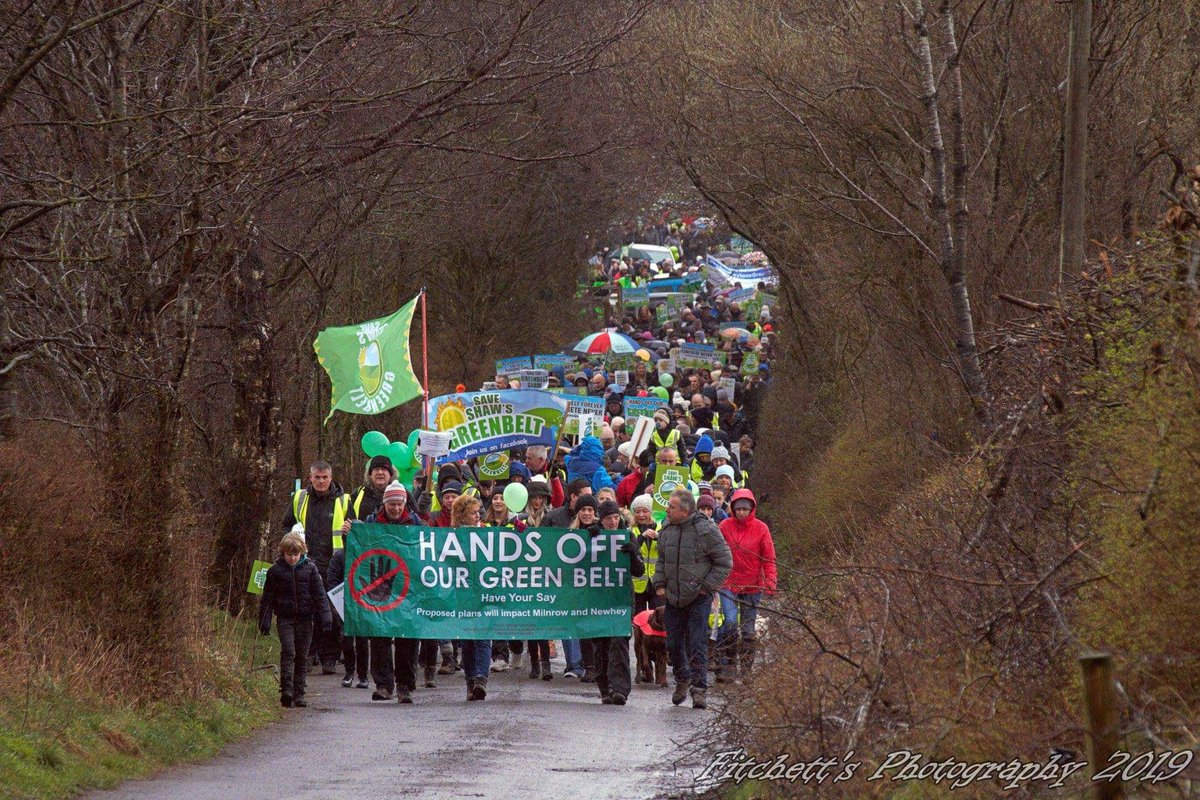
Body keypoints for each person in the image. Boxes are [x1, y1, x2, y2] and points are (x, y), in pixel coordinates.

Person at [652, 489, 732, 710]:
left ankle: (699, 689)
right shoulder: (667, 529)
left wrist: (706, 587)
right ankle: (682, 679)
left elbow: (724, 562)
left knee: (697, 643)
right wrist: (659, 584)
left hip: (698, 597)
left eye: (671, 507)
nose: (667, 510)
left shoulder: (706, 529)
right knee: (673, 643)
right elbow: (661, 560)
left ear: (685, 510)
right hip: (673, 597)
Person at [362, 482, 429, 702]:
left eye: (399, 504)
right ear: (385, 504)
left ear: (404, 504)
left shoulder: (415, 522)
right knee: (380, 636)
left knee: (407, 637)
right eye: (392, 504)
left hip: (407, 589)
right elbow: (359, 550)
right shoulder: (372, 522)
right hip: (380, 587)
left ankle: (404, 685)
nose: (396, 508)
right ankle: (383, 685)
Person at [282, 461, 349, 673]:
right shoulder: (299, 498)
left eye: (325, 477)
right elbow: (286, 524)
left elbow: (355, 528)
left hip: (334, 565)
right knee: (305, 612)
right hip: (305, 565)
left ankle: (329, 658)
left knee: (330, 613)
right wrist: (292, 540)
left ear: (331, 478)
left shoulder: (345, 500)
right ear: (310, 478)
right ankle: (308, 655)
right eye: (317, 478)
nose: (321, 481)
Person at [259, 531, 332, 708]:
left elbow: (320, 595)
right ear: (283, 553)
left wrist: (326, 616)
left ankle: (299, 693)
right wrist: (265, 621)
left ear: (302, 553)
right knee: (289, 652)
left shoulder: (310, 569)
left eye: (295, 554)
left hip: (306, 619)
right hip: (285, 618)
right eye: (289, 554)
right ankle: (286, 690)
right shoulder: (275, 571)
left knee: (302, 656)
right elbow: (267, 598)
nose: (292, 558)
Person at [586, 499, 643, 705]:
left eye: (616, 517)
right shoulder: (592, 535)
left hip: (621, 599)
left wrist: (633, 553)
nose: (613, 521)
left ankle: (620, 688)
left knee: (619, 641)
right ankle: (604, 688)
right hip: (598, 598)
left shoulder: (628, 536)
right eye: (608, 518)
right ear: (601, 520)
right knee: (600, 642)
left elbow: (639, 572)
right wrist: (589, 540)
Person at [716, 489, 777, 682]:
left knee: (749, 630)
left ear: (751, 509)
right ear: (732, 508)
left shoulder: (761, 528)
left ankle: (746, 669)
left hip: (752, 585)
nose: (741, 512)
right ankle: (727, 665)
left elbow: (768, 557)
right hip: (728, 583)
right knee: (731, 623)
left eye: (745, 509)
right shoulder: (724, 526)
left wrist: (770, 581)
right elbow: (715, 552)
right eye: (738, 508)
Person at [450, 493, 491, 700]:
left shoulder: (487, 534)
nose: (477, 516)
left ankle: (481, 679)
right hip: (463, 593)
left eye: (478, 512)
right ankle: (469, 680)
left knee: (483, 636)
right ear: (462, 515)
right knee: (467, 640)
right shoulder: (453, 536)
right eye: (473, 513)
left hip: (484, 592)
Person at [518, 479, 555, 680]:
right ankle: (534, 664)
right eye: (534, 498)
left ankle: (546, 664)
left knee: (544, 622)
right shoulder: (521, 519)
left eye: (541, 498)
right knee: (530, 623)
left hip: (546, 574)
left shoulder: (550, 517)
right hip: (525, 575)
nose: (537, 501)